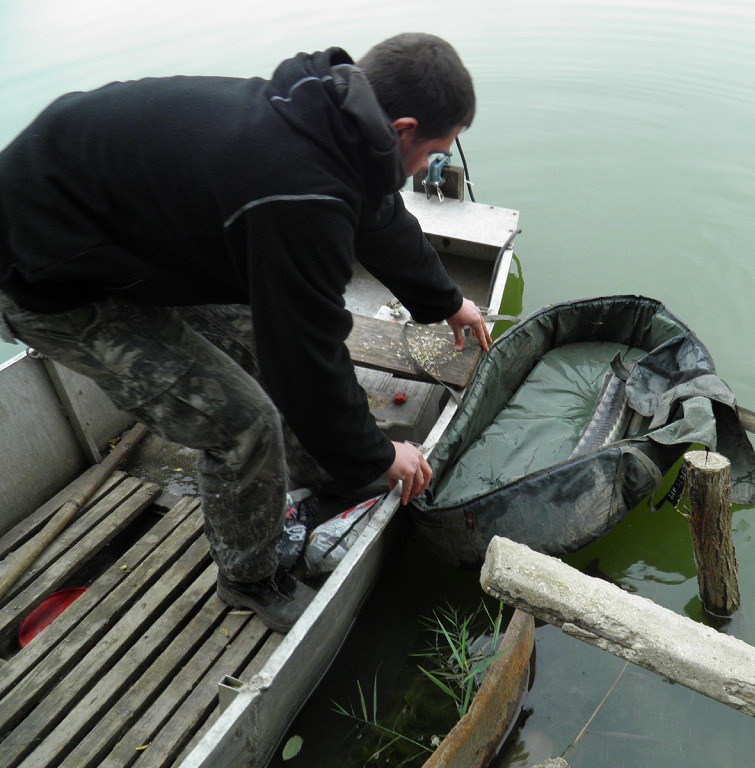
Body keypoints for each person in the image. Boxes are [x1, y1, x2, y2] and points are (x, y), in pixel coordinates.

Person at [0, 33, 491, 633]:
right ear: (403, 128)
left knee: (265, 342)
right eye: (434, 151)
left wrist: (446, 302)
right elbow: (306, 354)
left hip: (121, 231)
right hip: (52, 276)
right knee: (242, 423)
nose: (425, 166)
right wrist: (379, 451)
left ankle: (322, 467)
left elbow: (380, 213)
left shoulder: (328, 114)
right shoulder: (300, 191)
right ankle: (251, 577)